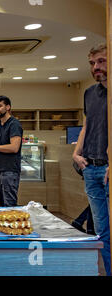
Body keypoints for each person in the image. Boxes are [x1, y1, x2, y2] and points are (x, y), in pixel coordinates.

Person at [72, 43, 110, 276]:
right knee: (101, 232)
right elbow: (87, 126)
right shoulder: (89, 93)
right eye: (93, 63)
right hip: (91, 168)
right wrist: (77, 152)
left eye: (102, 61)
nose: (96, 67)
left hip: (108, 168)